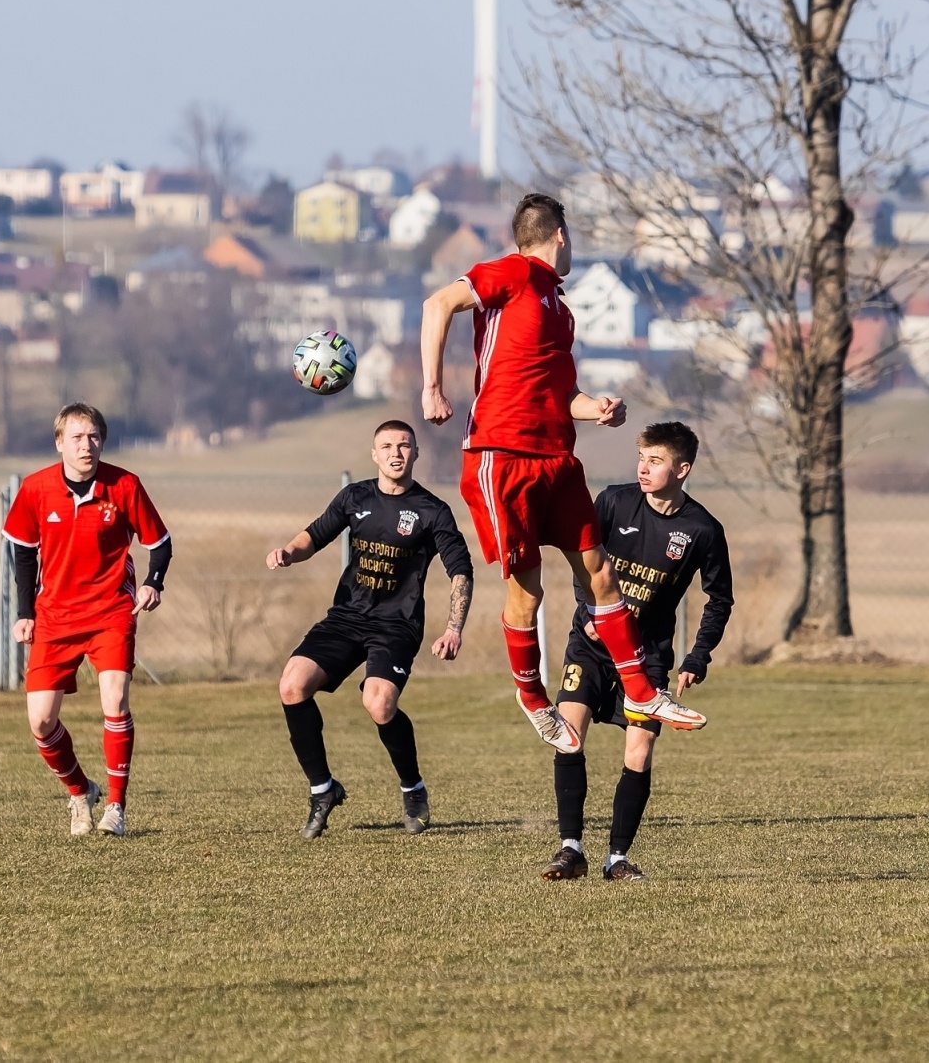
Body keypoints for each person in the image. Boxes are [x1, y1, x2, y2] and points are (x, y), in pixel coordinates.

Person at [419, 191, 706, 754]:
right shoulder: (513, 272)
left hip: (557, 458)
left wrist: (594, 407)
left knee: (599, 574)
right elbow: (437, 305)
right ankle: (533, 700)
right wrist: (431, 386)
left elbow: (560, 394)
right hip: (502, 456)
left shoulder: (559, 306)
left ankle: (641, 689)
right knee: (528, 589)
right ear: (559, 235)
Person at [540, 422, 733, 883]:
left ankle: (617, 859)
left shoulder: (702, 529)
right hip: (591, 644)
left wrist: (697, 657)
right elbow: (580, 554)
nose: (643, 468)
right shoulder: (612, 501)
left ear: (682, 469)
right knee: (568, 733)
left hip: (647, 657)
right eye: (642, 458)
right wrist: (588, 608)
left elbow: (720, 599)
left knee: (639, 750)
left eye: (656, 460)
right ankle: (570, 850)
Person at [267, 420, 474, 839]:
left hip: (396, 625)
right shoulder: (355, 496)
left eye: (404, 445)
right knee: (292, 686)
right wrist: (289, 551)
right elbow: (315, 534)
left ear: (416, 453)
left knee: (379, 705)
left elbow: (461, 571)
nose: (396, 452)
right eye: (387, 446)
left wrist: (454, 627)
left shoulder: (433, 511)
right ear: (374, 454)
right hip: (346, 616)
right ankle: (323, 790)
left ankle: (413, 787)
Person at [2, 403, 171, 838]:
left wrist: (153, 582)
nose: (86, 445)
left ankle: (116, 805)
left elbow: (160, 542)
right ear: (59, 443)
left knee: (114, 701)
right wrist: (25, 613)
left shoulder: (124, 485)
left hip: (111, 610)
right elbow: (22, 551)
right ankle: (81, 792)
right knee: (40, 721)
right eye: (77, 437)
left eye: (94, 436)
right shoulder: (36, 489)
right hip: (55, 615)